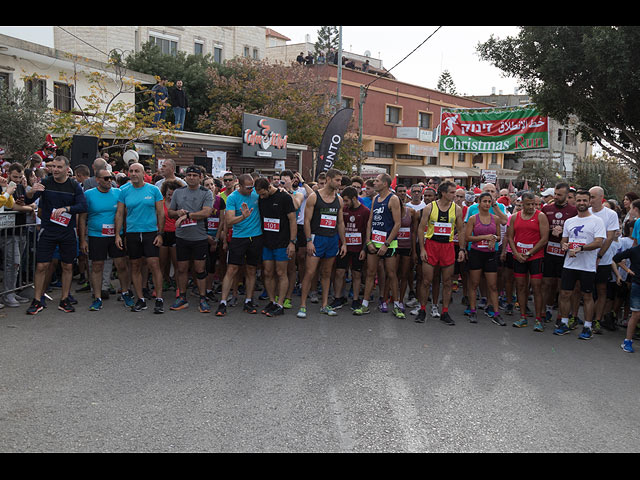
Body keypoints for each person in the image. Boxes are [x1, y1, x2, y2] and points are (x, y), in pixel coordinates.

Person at [25, 156, 87, 315]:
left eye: (59, 167)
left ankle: (64, 299)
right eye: (53, 167)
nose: (55, 170)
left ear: (67, 169)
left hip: (67, 231)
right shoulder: (45, 183)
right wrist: (31, 191)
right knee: (41, 266)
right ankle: (37, 300)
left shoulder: (74, 185)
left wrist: (67, 209)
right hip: (48, 230)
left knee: (67, 266)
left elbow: (82, 205)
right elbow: (28, 200)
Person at [554, 190, 606, 340]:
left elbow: (598, 242)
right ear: (574, 202)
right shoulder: (570, 221)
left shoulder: (597, 221)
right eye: (579, 200)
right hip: (570, 265)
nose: (582, 203)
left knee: (587, 296)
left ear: (589, 202)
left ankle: (588, 327)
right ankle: (564, 323)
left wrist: (580, 248)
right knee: (565, 294)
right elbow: (564, 240)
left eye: (584, 200)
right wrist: (564, 246)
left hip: (587, 266)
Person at [79, 168, 132, 311]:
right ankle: (97, 297)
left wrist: (124, 235)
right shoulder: (89, 194)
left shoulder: (118, 193)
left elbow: (124, 215)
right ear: (97, 180)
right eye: (106, 178)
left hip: (116, 235)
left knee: (121, 265)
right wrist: (82, 240)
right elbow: (83, 218)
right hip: (96, 235)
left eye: (111, 178)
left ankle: (125, 292)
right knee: (97, 266)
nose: (109, 181)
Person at [115, 162, 166, 314]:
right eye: (131, 171)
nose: (134, 173)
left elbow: (161, 213)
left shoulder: (154, 190)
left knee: (153, 264)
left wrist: (160, 234)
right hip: (132, 233)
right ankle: (140, 299)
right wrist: (118, 234)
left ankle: (159, 299)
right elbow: (119, 214)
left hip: (150, 232)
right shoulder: (123, 191)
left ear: (144, 174)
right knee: (135, 265)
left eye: (137, 171)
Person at [297, 168, 347, 318]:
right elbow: (306, 221)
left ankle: (324, 305)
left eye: (340, 180)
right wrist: (308, 241)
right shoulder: (314, 197)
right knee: (310, 272)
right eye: (337, 180)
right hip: (316, 238)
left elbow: (340, 222)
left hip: (332, 239)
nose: (340, 183)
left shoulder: (339, 199)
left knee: (326, 273)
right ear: (329, 179)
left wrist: (343, 242)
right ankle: (303, 305)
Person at [415, 181, 466, 325]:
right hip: (431, 245)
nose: (454, 195)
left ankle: (444, 312)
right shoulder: (429, 207)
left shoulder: (456, 209)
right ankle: (423, 310)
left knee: (448, 282)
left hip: (447, 247)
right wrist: (422, 249)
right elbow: (420, 228)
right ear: (443, 193)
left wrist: (462, 249)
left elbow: (461, 230)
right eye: (451, 192)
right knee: (426, 280)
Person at [354, 173, 404, 318]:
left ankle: (396, 305)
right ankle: (364, 305)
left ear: (385, 184)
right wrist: (368, 241)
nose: (374, 183)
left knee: (391, 274)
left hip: (389, 244)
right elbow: (370, 221)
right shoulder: (375, 198)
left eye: (377, 181)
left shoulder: (393, 199)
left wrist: (386, 244)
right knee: (370, 273)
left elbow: (398, 223)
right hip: (374, 242)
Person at [167, 165, 214, 313]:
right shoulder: (178, 192)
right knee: (181, 269)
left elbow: (206, 213)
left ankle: (202, 298)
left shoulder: (206, 193)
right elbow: (170, 212)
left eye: (195, 175)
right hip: (182, 237)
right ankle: (182, 297)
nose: (192, 177)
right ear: (185, 177)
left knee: (200, 269)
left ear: (200, 177)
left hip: (199, 237)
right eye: (189, 175)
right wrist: (177, 212)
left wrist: (187, 216)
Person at [216, 174, 262, 316]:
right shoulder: (232, 198)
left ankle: (248, 300)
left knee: (251, 270)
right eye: (248, 187)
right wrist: (243, 216)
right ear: (240, 186)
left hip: (255, 237)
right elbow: (228, 221)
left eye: (252, 187)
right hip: (238, 238)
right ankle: (223, 302)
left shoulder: (256, 195)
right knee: (232, 269)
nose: (251, 190)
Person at [507, 192, 550, 331]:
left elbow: (544, 239)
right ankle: (523, 316)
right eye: (528, 204)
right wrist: (515, 253)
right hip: (519, 256)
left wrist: (529, 253)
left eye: (534, 204)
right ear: (522, 204)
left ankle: (538, 319)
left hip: (535, 256)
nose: (531, 206)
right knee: (520, 286)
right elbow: (510, 237)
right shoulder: (515, 217)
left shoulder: (540, 216)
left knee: (536, 286)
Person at [255, 177, 296, 317]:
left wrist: (292, 242)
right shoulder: (261, 198)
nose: (261, 196)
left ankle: (280, 303)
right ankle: (272, 301)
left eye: (263, 193)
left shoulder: (284, 197)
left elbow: (292, 220)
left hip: (282, 242)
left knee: (281, 273)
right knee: (267, 272)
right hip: (266, 242)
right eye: (259, 194)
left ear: (269, 187)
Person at [465, 192, 504, 326]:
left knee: (493, 285)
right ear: (479, 203)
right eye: (484, 201)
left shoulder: (495, 218)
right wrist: (484, 237)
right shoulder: (473, 219)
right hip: (476, 253)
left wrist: (493, 238)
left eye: (489, 202)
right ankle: (473, 310)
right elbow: (467, 237)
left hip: (490, 254)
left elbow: (499, 236)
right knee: (474, 283)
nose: (487, 204)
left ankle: (496, 313)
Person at [541, 183, 578, 324]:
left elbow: (577, 233)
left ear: (567, 196)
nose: (556, 197)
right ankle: (546, 310)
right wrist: (551, 231)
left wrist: (563, 233)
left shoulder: (573, 211)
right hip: (549, 251)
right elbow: (540, 229)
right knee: (547, 283)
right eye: (555, 194)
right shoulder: (546, 209)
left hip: (565, 253)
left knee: (562, 285)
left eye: (559, 195)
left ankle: (562, 315)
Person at [589, 186, 621, 333]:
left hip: (603, 260)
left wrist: (599, 256)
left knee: (601, 290)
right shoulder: (586, 212)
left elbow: (609, 238)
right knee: (584, 290)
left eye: (593, 197)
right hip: (586, 259)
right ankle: (584, 320)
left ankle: (597, 320)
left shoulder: (611, 214)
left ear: (601, 198)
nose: (590, 200)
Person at [332, 186, 369, 311]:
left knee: (356, 274)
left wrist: (364, 249)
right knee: (339, 272)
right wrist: (343, 243)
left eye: (347, 200)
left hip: (358, 248)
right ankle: (338, 298)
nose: (345, 203)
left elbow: (367, 232)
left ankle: (355, 299)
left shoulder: (365, 211)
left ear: (354, 198)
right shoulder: (343, 210)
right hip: (344, 247)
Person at [612, 238, 640, 352]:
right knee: (636, 314)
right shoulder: (635, 250)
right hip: (637, 284)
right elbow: (616, 258)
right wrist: (627, 270)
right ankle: (627, 341)